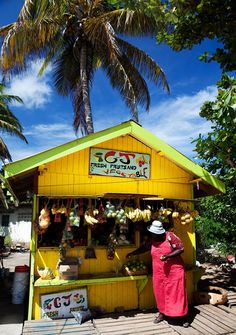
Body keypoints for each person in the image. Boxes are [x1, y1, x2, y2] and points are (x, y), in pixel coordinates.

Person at [126, 220, 189, 327]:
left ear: (160, 232)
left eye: (155, 234)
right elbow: (144, 248)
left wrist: (167, 256)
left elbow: (180, 248)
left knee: (177, 294)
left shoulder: (170, 237)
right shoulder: (152, 239)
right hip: (159, 273)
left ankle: (183, 317)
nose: (153, 235)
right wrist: (132, 253)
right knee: (160, 294)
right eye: (153, 233)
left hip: (174, 271)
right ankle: (162, 313)